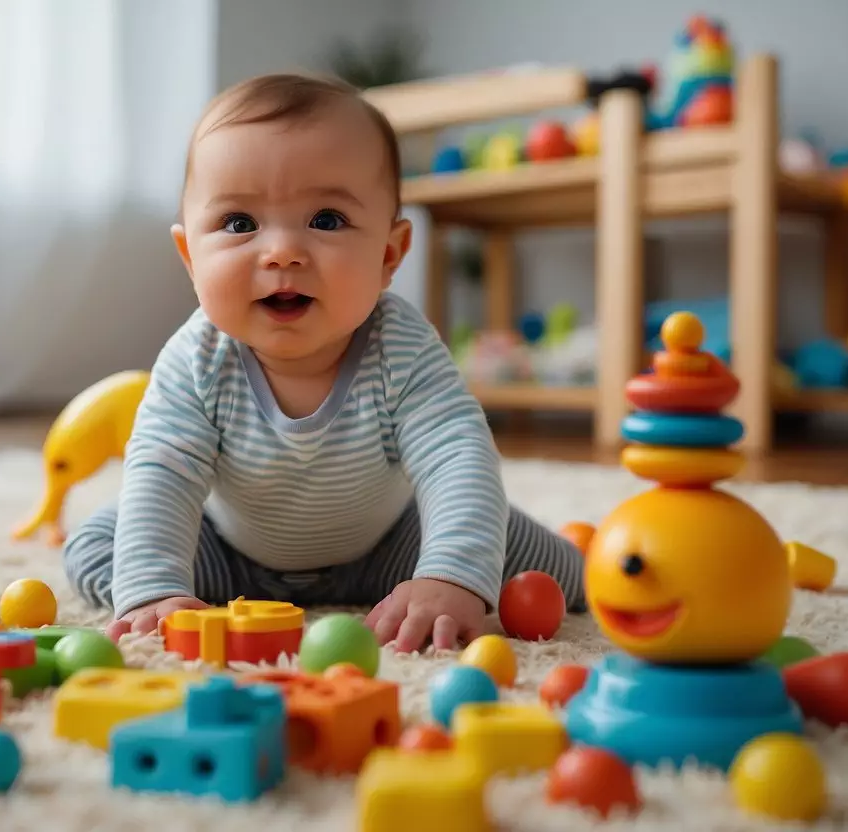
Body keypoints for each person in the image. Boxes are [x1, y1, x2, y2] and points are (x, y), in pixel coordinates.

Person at [64, 73, 585, 653]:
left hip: (394, 547)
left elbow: (456, 455)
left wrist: (449, 577)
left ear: (388, 255)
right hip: (228, 558)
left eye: (326, 220)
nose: (282, 250)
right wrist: (156, 591)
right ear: (191, 256)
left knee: (545, 563)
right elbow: (163, 472)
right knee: (100, 545)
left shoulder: (401, 346)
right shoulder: (197, 359)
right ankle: (176, 588)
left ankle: (447, 579)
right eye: (239, 224)